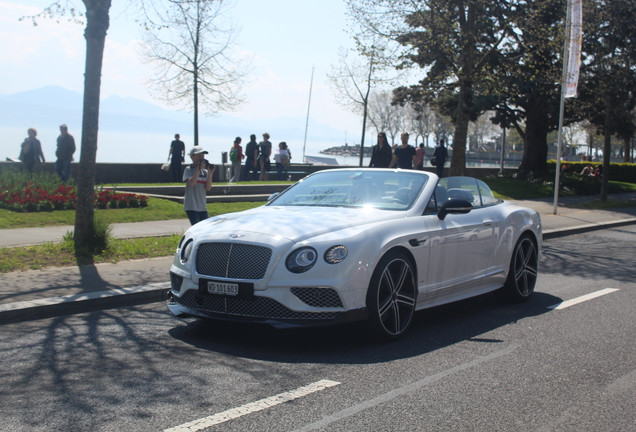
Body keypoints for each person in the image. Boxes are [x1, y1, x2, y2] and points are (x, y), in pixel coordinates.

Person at [183, 146, 214, 225]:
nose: (201, 158)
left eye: (203, 156)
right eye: (199, 156)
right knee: (196, 228)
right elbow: (191, 183)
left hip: (202, 206)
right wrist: (198, 169)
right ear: (192, 157)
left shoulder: (205, 172)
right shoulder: (188, 169)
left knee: (205, 228)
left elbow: (208, 188)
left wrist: (210, 173)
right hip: (192, 206)